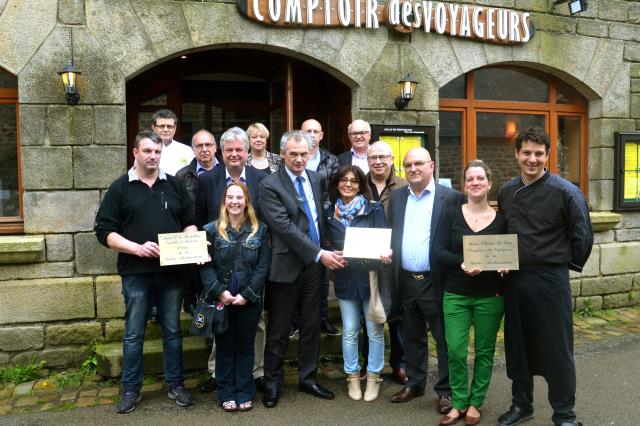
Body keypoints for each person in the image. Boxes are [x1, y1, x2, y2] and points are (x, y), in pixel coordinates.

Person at [94, 130, 196, 414]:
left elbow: (189, 221)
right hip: (136, 272)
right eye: (147, 151)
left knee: (173, 330)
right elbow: (105, 232)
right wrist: (137, 248)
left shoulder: (174, 185)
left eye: (157, 152)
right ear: (135, 153)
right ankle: (131, 389)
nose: (153, 156)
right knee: (134, 333)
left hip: (172, 272)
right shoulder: (120, 188)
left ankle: (176, 384)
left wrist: (190, 244)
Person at [497, 127, 593, 426]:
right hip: (516, 280)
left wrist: (565, 265)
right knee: (518, 346)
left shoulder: (566, 191)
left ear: (548, 155)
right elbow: (503, 233)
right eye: (526, 152)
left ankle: (564, 414)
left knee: (556, 350)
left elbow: (582, 236)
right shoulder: (507, 191)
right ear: (517, 155)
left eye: (539, 154)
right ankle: (521, 404)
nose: (532, 159)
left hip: (551, 281)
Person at [259, 130, 346, 408]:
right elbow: (283, 227)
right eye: (293, 154)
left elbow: (321, 218)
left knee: (311, 326)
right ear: (283, 154)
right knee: (279, 328)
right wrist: (320, 254)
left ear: (310, 154)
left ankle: (308, 378)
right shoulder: (269, 184)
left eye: (303, 154)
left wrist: (336, 245)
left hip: (315, 268)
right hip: (286, 266)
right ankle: (272, 383)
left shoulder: (317, 179)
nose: (298, 159)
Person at [388, 147, 463, 414]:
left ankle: (446, 391)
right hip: (406, 279)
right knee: (412, 336)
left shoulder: (451, 198)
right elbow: (392, 234)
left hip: (437, 280)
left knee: (444, 339)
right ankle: (416, 382)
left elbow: (458, 238)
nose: (413, 169)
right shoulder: (397, 198)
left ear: (431, 165)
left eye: (419, 163)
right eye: (407, 165)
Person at [195, 126, 268, 394]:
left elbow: (266, 219)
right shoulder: (207, 179)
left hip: (250, 261)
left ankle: (256, 372)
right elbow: (199, 217)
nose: (235, 154)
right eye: (229, 150)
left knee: (255, 323)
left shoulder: (263, 178)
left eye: (240, 149)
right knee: (221, 322)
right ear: (221, 153)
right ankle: (218, 373)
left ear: (248, 152)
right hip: (220, 263)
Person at [434, 160, 506, 426]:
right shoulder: (451, 214)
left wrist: (504, 265)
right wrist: (461, 264)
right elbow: (439, 251)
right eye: (469, 180)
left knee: (485, 351)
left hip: (491, 295)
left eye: (479, 179)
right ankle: (459, 401)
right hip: (456, 293)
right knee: (455, 350)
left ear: (489, 183)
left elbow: (508, 254)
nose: (475, 183)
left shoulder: (501, 220)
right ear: (463, 186)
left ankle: (476, 403)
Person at [200, 183, 271, 412]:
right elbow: (204, 266)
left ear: (247, 201)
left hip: (248, 301)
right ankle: (226, 392)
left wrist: (247, 295)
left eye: (239, 197)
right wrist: (220, 291)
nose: (234, 202)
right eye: (230, 197)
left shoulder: (260, 230)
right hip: (222, 300)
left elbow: (263, 266)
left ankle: (244, 391)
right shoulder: (210, 230)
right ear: (224, 201)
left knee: (246, 348)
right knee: (224, 347)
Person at [325, 165, 390, 402]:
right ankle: (352, 376)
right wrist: (332, 253)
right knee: (350, 331)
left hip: (370, 277)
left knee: (374, 330)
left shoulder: (373, 209)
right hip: (345, 278)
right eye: (343, 180)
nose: (348, 185)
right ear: (337, 183)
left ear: (360, 185)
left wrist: (385, 254)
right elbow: (325, 243)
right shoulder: (329, 212)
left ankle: (373, 376)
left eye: (353, 181)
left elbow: (384, 241)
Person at [362, 141, 408, 385]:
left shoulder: (403, 185)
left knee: (396, 314)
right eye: (373, 157)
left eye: (382, 157)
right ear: (367, 160)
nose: (377, 161)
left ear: (391, 159)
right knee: (368, 312)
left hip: (396, 258)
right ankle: (367, 362)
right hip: (366, 257)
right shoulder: (360, 184)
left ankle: (399, 364)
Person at [300, 118, 341, 336]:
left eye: (316, 131)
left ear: (322, 135)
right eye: (308, 131)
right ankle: (297, 320)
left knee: (324, 273)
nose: (312, 135)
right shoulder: (293, 156)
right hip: (298, 222)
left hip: (323, 221)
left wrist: (323, 214)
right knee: (299, 272)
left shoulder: (331, 160)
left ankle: (323, 317)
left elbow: (333, 192)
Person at [176, 129, 219, 314]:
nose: (204, 149)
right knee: (197, 279)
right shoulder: (182, 176)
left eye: (208, 145)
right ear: (192, 149)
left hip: (220, 232)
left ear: (215, 148)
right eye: (199, 146)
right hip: (194, 234)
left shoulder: (225, 170)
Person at [152, 109, 194, 176]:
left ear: (175, 128)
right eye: (162, 126)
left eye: (169, 126)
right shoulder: (146, 150)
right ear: (154, 128)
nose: (166, 130)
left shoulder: (186, 150)